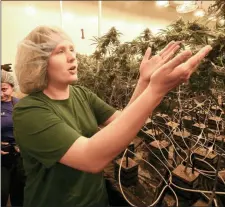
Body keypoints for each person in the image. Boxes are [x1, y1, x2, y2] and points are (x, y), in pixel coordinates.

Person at [13, 25, 212, 207]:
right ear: (38, 62)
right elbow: (90, 157)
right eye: (60, 51)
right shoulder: (30, 112)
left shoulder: (81, 94)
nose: (72, 57)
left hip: (96, 199)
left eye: (72, 49)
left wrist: (144, 82)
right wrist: (156, 91)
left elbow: (123, 121)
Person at [1, 70, 25, 206]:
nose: (1, 94)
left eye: (4, 89)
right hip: (2, 160)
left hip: (19, 157)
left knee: (20, 195)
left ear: (12, 86)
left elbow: (30, 127)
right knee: (2, 193)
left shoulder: (20, 105)